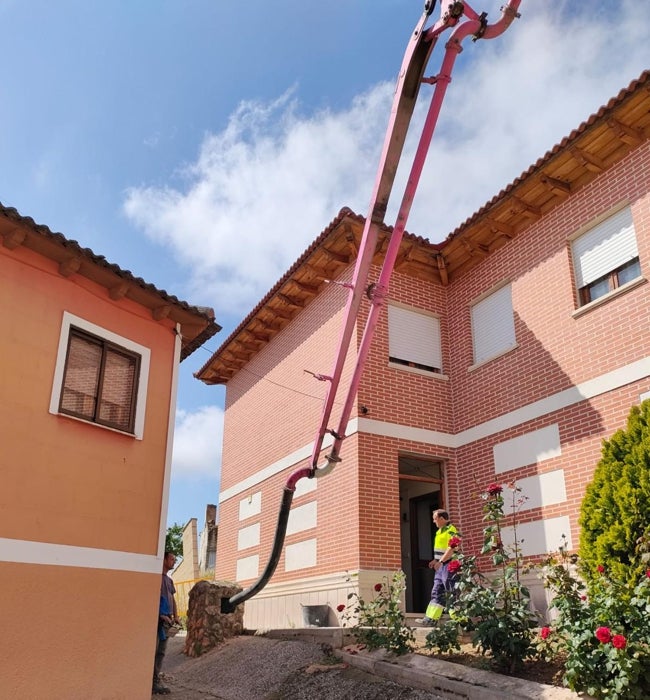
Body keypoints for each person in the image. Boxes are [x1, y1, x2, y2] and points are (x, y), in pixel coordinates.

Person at [415, 509, 459, 626]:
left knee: (451, 590)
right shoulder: (439, 531)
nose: (434, 521)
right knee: (437, 590)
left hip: (449, 564)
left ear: (442, 519)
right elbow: (442, 549)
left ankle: (459, 620)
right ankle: (431, 618)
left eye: (435, 519)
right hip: (441, 564)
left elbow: (452, 548)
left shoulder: (451, 529)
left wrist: (440, 561)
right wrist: (435, 560)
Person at [153, 551, 180, 695]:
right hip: (156, 621)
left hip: (167, 621)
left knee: (161, 652)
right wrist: (161, 615)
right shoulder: (156, 577)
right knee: (155, 651)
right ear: (163, 560)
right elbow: (154, 597)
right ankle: (153, 682)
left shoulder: (169, 581)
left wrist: (175, 616)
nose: (174, 562)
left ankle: (155, 679)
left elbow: (172, 599)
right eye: (171, 559)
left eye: (175, 560)